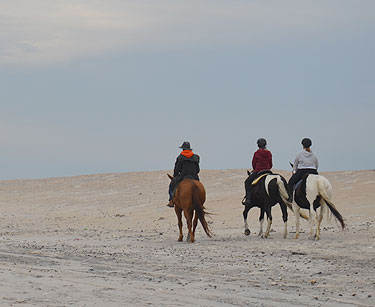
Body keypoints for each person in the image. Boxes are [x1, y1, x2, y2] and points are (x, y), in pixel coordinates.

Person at [167, 141, 200, 207]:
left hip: (183, 176)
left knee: (171, 186)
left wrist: (175, 175)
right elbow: (197, 169)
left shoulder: (180, 157)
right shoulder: (196, 157)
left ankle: (171, 200)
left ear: (183, 149)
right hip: (194, 176)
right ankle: (200, 202)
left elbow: (177, 169)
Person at [242, 138, 273, 206]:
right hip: (268, 171)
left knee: (247, 182)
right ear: (265, 145)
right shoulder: (269, 153)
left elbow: (253, 163)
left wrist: (255, 168)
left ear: (258, 145)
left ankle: (248, 199)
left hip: (258, 170)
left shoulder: (257, 153)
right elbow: (271, 164)